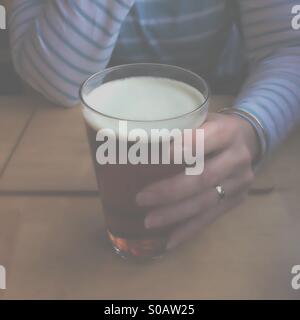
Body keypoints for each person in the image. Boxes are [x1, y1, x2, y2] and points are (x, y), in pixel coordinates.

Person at [8, 0, 300, 249]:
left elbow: (289, 49)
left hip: (213, 155)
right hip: (61, 164)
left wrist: (251, 126)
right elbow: (54, 80)